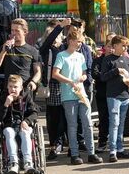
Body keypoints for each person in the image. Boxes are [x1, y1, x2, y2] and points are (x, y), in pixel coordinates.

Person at [52, 31, 103, 165]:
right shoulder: (61, 56)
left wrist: (83, 77)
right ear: (70, 41)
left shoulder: (80, 56)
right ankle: (74, 154)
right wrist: (69, 81)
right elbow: (55, 74)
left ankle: (91, 152)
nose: (80, 44)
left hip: (81, 93)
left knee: (88, 123)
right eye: (78, 41)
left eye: (81, 41)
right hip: (68, 95)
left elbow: (85, 73)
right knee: (73, 125)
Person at [0, 75, 39, 174]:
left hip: (23, 124)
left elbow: (34, 113)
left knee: (26, 133)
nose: (13, 89)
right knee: (9, 132)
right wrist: (5, 105)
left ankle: (28, 163)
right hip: (9, 125)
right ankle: (14, 163)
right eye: (10, 86)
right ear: (7, 87)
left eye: (15, 87)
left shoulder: (26, 96)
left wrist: (27, 121)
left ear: (21, 87)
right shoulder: (3, 98)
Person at [101, 35, 129, 162]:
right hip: (113, 96)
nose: (125, 48)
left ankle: (120, 149)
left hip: (125, 95)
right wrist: (116, 71)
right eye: (123, 45)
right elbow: (103, 77)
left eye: (126, 46)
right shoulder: (108, 60)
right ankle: (112, 150)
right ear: (115, 46)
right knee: (114, 123)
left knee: (121, 124)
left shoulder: (127, 59)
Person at [39, 23, 66, 160]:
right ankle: (54, 144)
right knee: (53, 116)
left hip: (66, 85)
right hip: (53, 86)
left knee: (65, 116)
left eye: (57, 36)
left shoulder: (64, 49)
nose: (55, 39)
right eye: (52, 36)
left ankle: (62, 142)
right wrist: (59, 28)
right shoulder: (46, 49)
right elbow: (49, 41)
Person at [0, 18, 42, 91]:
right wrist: (3, 51)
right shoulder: (5, 47)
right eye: (12, 30)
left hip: (25, 91)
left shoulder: (32, 51)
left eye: (17, 31)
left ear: (25, 32)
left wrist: (33, 82)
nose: (13, 33)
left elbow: (37, 72)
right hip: (9, 91)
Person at [92, 32, 116, 152]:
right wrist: (108, 75)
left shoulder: (117, 60)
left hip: (115, 93)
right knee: (103, 118)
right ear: (105, 47)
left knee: (115, 119)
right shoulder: (98, 60)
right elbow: (95, 74)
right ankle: (102, 142)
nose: (111, 49)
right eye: (109, 46)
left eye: (113, 46)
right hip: (102, 94)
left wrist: (105, 76)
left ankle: (115, 143)